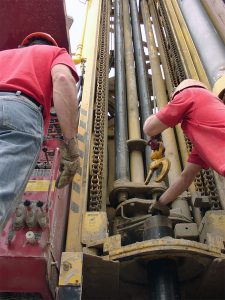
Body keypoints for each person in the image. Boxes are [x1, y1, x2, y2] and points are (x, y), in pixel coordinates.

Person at [0, 32, 80, 231]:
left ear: (22, 46)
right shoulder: (55, 52)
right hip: (20, 113)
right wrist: (70, 146)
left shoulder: (3, 55)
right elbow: (62, 78)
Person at [143, 79, 225, 215]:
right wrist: (161, 203)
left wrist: (162, 111)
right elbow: (186, 177)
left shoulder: (189, 94)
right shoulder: (204, 139)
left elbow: (149, 129)